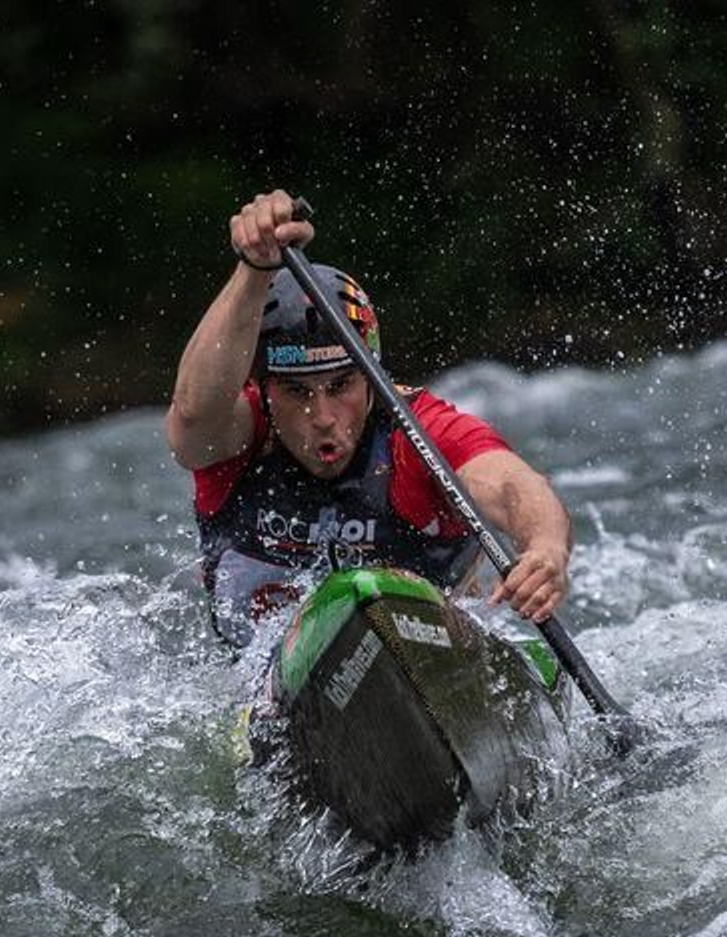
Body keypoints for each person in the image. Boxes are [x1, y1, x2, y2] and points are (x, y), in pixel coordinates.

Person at [166, 189, 574, 645]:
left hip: (437, 653)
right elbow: (192, 414)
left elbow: (512, 484)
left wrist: (545, 549)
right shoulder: (238, 439)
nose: (322, 416)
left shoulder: (415, 433)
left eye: (341, 386)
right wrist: (253, 268)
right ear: (263, 389)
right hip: (255, 685)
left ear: (371, 377)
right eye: (297, 391)